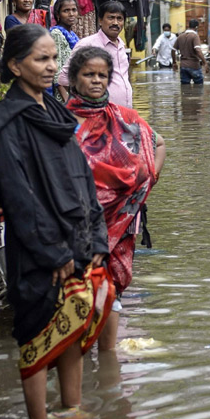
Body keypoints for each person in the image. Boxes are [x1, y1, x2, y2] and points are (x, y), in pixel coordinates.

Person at [0, 25, 114, 419]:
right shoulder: (5, 121)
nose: (52, 66)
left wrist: (94, 239)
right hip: (37, 249)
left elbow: (81, 178)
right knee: (35, 333)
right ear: (15, 66)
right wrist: (52, 251)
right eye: (41, 59)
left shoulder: (56, 113)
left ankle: (72, 412)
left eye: (54, 58)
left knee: (73, 330)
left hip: (77, 240)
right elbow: (19, 196)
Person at [65, 46, 166, 351]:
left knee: (112, 288)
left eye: (102, 75)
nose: (96, 81)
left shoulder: (127, 119)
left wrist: (147, 180)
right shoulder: (61, 121)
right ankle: (78, 354)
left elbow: (159, 144)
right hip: (76, 221)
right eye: (88, 74)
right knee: (78, 287)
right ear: (73, 78)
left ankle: (107, 361)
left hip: (121, 220)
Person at [57, 0, 133, 108]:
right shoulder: (87, 44)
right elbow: (63, 79)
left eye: (119, 18)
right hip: (98, 115)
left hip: (124, 115)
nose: (115, 23)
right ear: (100, 20)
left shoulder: (121, 46)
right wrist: (70, 107)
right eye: (111, 18)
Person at [49, 0, 80, 101]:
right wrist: (67, 100)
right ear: (58, 15)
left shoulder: (73, 35)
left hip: (73, 89)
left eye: (73, 10)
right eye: (66, 11)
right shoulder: (56, 34)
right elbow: (56, 69)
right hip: (62, 94)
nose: (71, 14)